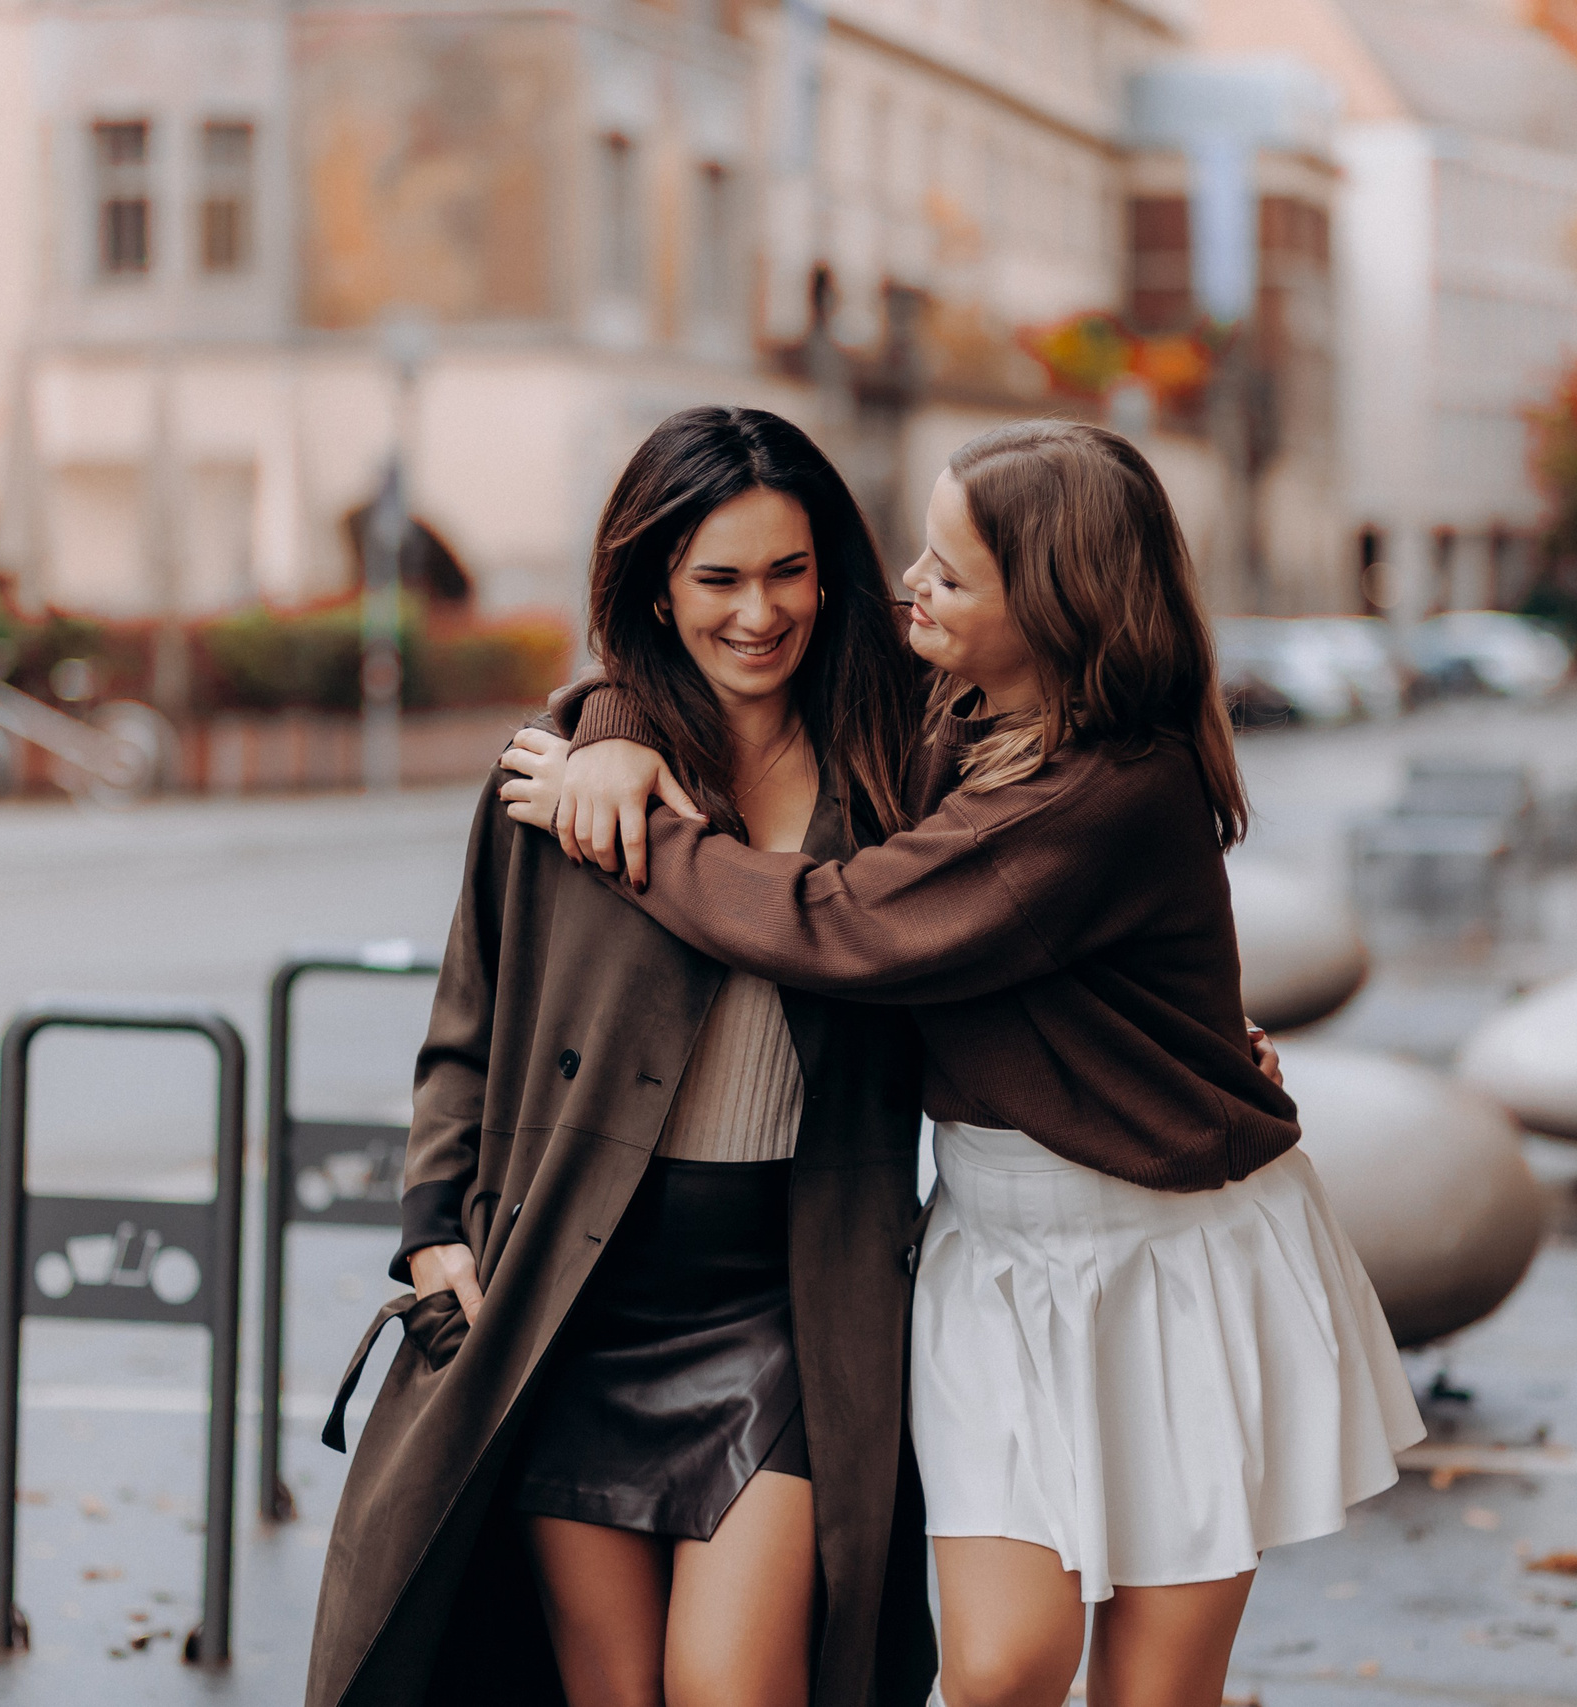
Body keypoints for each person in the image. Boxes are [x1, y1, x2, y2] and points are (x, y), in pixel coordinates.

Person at [500, 419, 1425, 1707]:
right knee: (995, 1672)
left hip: (1177, 1258)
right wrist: (608, 727)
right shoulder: (953, 701)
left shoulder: (1106, 793)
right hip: (995, 1251)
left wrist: (643, 837)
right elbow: (724, 644)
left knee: (1152, 1694)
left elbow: (848, 924)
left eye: (947, 573)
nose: (907, 591)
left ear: (1049, 607)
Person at [304, 406, 935, 1707]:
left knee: (732, 1686)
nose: (759, 613)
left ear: (831, 573)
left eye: (788, 571)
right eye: (719, 578)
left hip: (791, 1299)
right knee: (606, 1693)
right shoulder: (559, 776)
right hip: (574, 1293)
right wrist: (435, 1235)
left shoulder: (891, 765)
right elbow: (464, 1031)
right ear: (656, 582)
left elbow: (1020, 906)